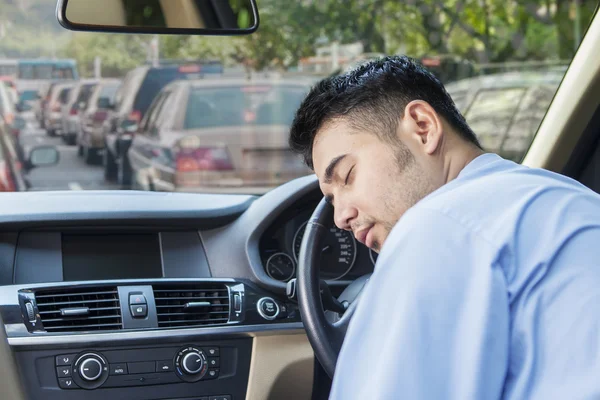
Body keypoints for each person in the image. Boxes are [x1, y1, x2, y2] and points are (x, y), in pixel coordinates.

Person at [288, 55, 600, 399]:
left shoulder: (437, 227)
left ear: (422, 128)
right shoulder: (572, 199)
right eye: (331, 199)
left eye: (347, 176)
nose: (340, 217)